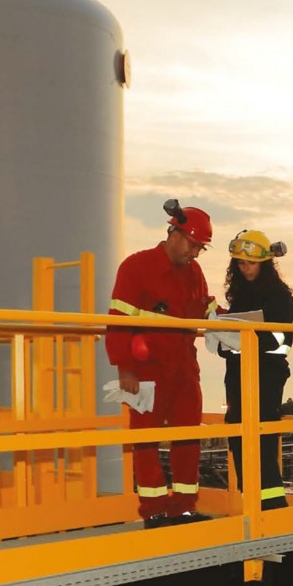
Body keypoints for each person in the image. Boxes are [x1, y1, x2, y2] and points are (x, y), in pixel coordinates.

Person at [108, 199, 217, 528]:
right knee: (145, 440)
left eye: (201, 248)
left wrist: (229, 321)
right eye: (194, 245)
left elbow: (203, 309)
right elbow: (117, 322)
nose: (196, 253)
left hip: (184, 369)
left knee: (188, 438)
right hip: (146, 372)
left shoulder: (194, 273)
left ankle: (183, 508)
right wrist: (125, 369)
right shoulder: (136, 268)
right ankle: (154, 511)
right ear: (175, 234)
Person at [216, 230, 293, 510]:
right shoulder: (241, 295)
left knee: (261, 438)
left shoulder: (279, 296)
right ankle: (252, 501)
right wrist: (225, 335)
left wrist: (238, 339)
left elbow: (280, 340)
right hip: (238, 375)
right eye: (239, 263)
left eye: (250, 262)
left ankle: (272, 506)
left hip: (267, 375)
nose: (244, 268)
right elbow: (235, 340)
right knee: (238, 434)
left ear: (265, 262)